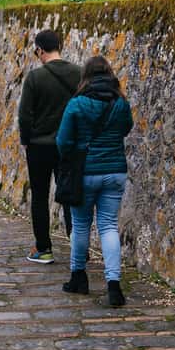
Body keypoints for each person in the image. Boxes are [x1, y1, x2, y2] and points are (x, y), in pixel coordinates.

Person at [56, 55, 134, 307]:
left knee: (80, 225)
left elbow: (63, 141)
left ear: (85, 76)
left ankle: (78, 277)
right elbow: (126, 128)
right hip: (115, 170)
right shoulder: (120, 103)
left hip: (85, 172)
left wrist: (76, 151)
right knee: (109, 225)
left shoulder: (77, 103)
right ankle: (114, 285)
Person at [17, 29, 81, 264]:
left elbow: (25, 115)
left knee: (40, 196)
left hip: (39, 146)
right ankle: (77, 244)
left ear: (40, 50)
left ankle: (43, 248)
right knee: (69, 195)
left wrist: (25, 139)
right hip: (68, 145)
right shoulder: (78, 73)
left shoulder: (35, 78)